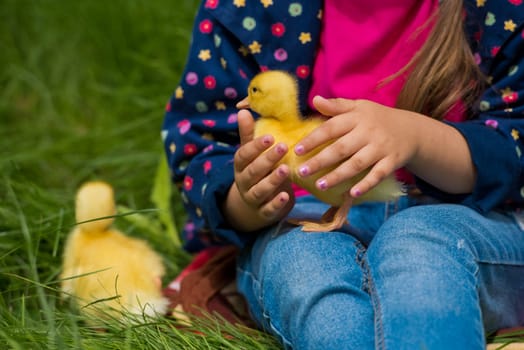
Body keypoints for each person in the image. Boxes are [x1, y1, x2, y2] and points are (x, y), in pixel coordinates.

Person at [162, 0, 524, 348]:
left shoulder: (502, 9)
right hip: (307, 216)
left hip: (476, 223)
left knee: (419, 245)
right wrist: (250, 199)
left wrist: (417, 138)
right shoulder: (248, 9)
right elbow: (205, 150)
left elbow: (515, 139)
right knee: (303, 266)